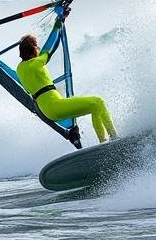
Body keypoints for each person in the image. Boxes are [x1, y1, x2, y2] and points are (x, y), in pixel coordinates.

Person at [15, 8, 117, 144]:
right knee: (97, 102)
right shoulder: (36, 63)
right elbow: (50, 46)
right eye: (37, 46)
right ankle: (108, 140)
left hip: (47, 111)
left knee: (97, 105)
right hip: (55, 105)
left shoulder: (20, 69)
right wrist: (59, 22)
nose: (39, 49)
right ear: (33, 48)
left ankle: (110, 139)